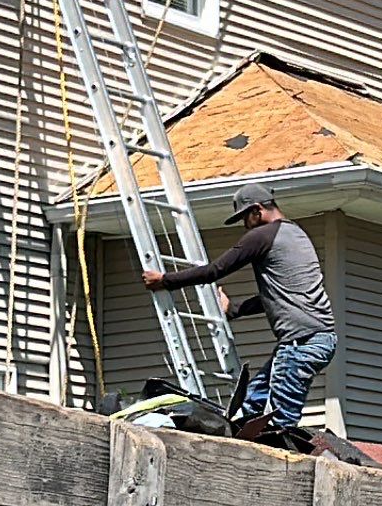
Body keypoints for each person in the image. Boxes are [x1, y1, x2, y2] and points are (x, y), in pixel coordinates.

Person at [143, 182, 336, 430]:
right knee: (252, 402)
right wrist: (234, 310)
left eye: (246, 217)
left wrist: (164, 281)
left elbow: (215, 270)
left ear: (257, 210)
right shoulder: (296, 234)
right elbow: (277, 296)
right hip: (318, 340)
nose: (245, 225)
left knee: (281, 423)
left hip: (300, 344)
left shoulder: (262, 235)